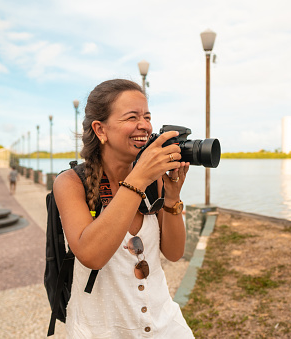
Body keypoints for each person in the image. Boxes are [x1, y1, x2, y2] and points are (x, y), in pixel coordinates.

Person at [53, 79, 194, 338]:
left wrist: (172, 197)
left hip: (164, 325)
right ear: (100, 129)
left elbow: (174, 253)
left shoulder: (153, 182)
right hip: (101, 330)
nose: (145, 125)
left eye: (147, 116)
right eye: (132, 117)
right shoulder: (71, 183)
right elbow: (92, 255)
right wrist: (139, 177)